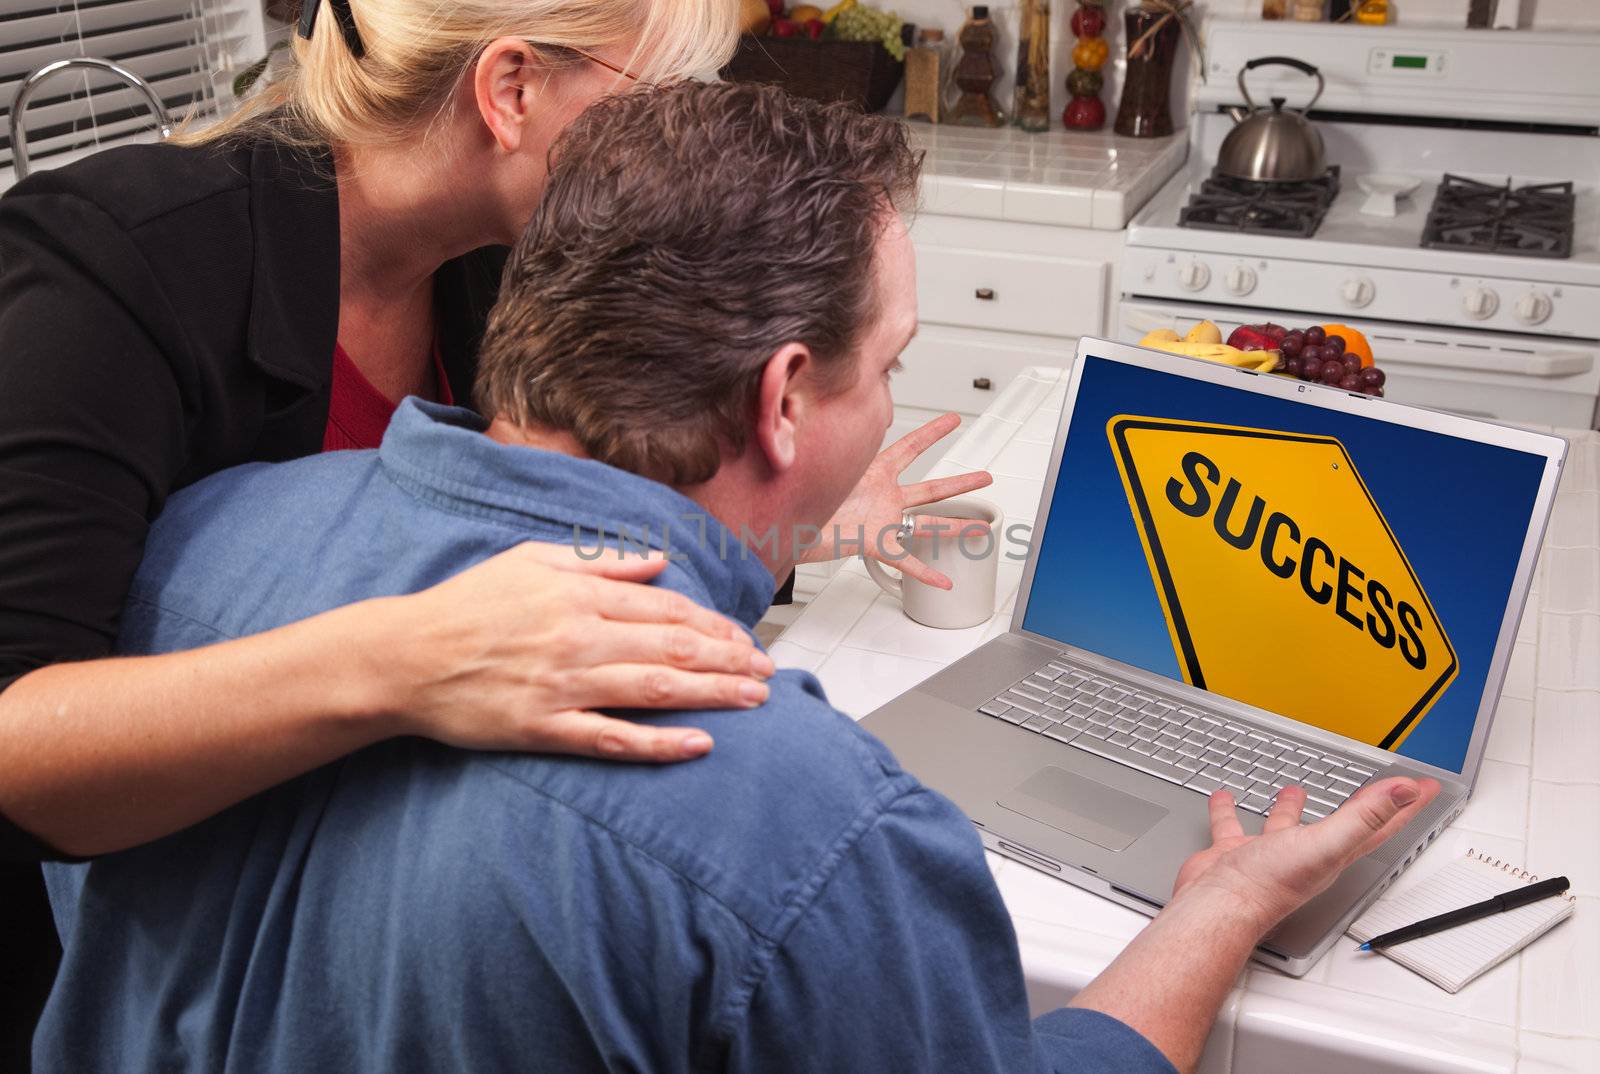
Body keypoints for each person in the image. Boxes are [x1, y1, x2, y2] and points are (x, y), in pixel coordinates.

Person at [37, 81, 1440, 1074]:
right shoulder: (804, 821)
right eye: (887, 366)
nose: (888, 400)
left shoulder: (201, 544)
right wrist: (1219, 907)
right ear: (782, 400)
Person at [0, 0, 986, 1057]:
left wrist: (792, 520)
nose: (680, 138)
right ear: (510, 88)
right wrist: (410, 656)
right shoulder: (113, 272)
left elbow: (547, 492)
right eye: (656, 97)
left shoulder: (502, 255)